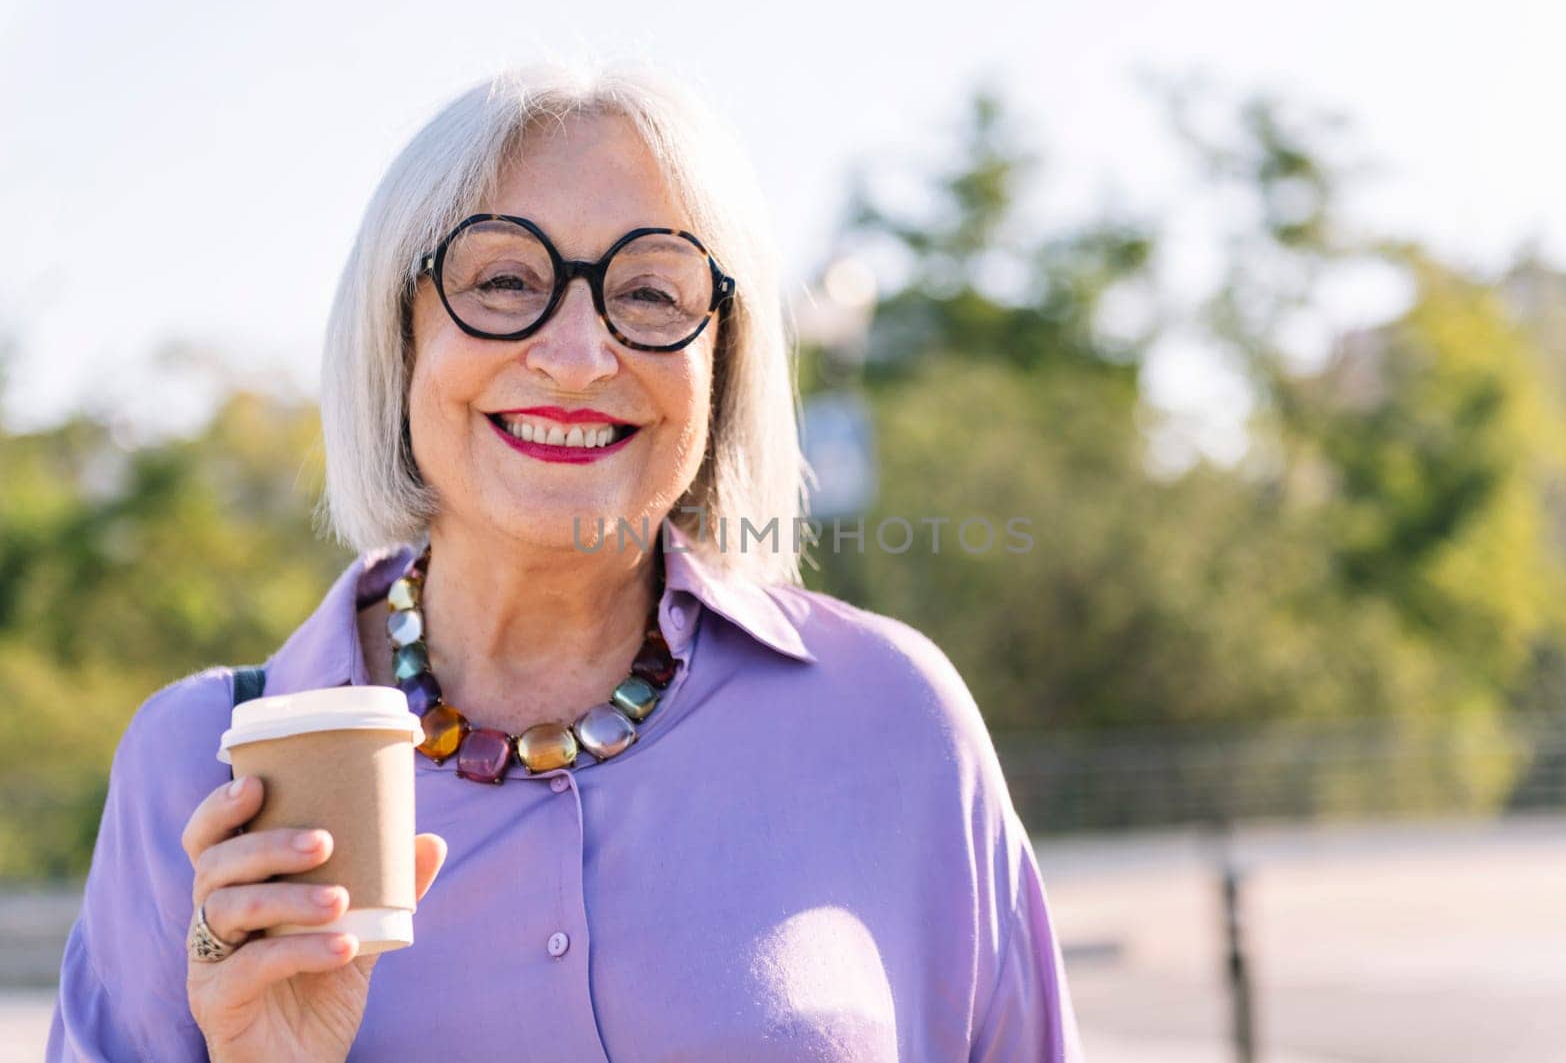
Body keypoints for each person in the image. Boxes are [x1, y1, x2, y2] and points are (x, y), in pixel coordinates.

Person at [47, 61, 1083, 1062]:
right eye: (503, 279)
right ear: (397, 336)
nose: (581, 355)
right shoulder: (204, 765)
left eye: (649, 292)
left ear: (722, 360)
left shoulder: (892, 715)